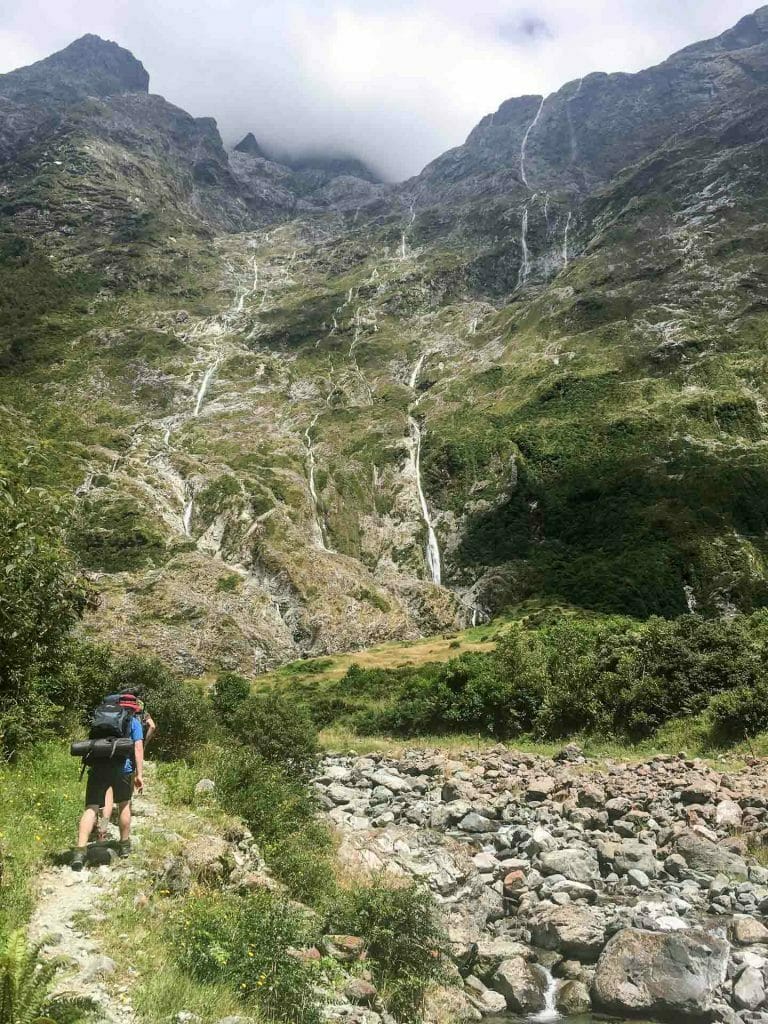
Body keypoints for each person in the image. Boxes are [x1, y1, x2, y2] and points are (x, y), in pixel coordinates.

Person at [72, 707, 144, 871]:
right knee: (124, 804)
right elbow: (138, 748)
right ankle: (124, 845)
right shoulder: (133, 721)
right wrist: (140, 774)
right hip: (122, 770)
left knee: (91, 808)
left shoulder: (102, 718)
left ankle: (80, 851)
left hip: (98, 767)